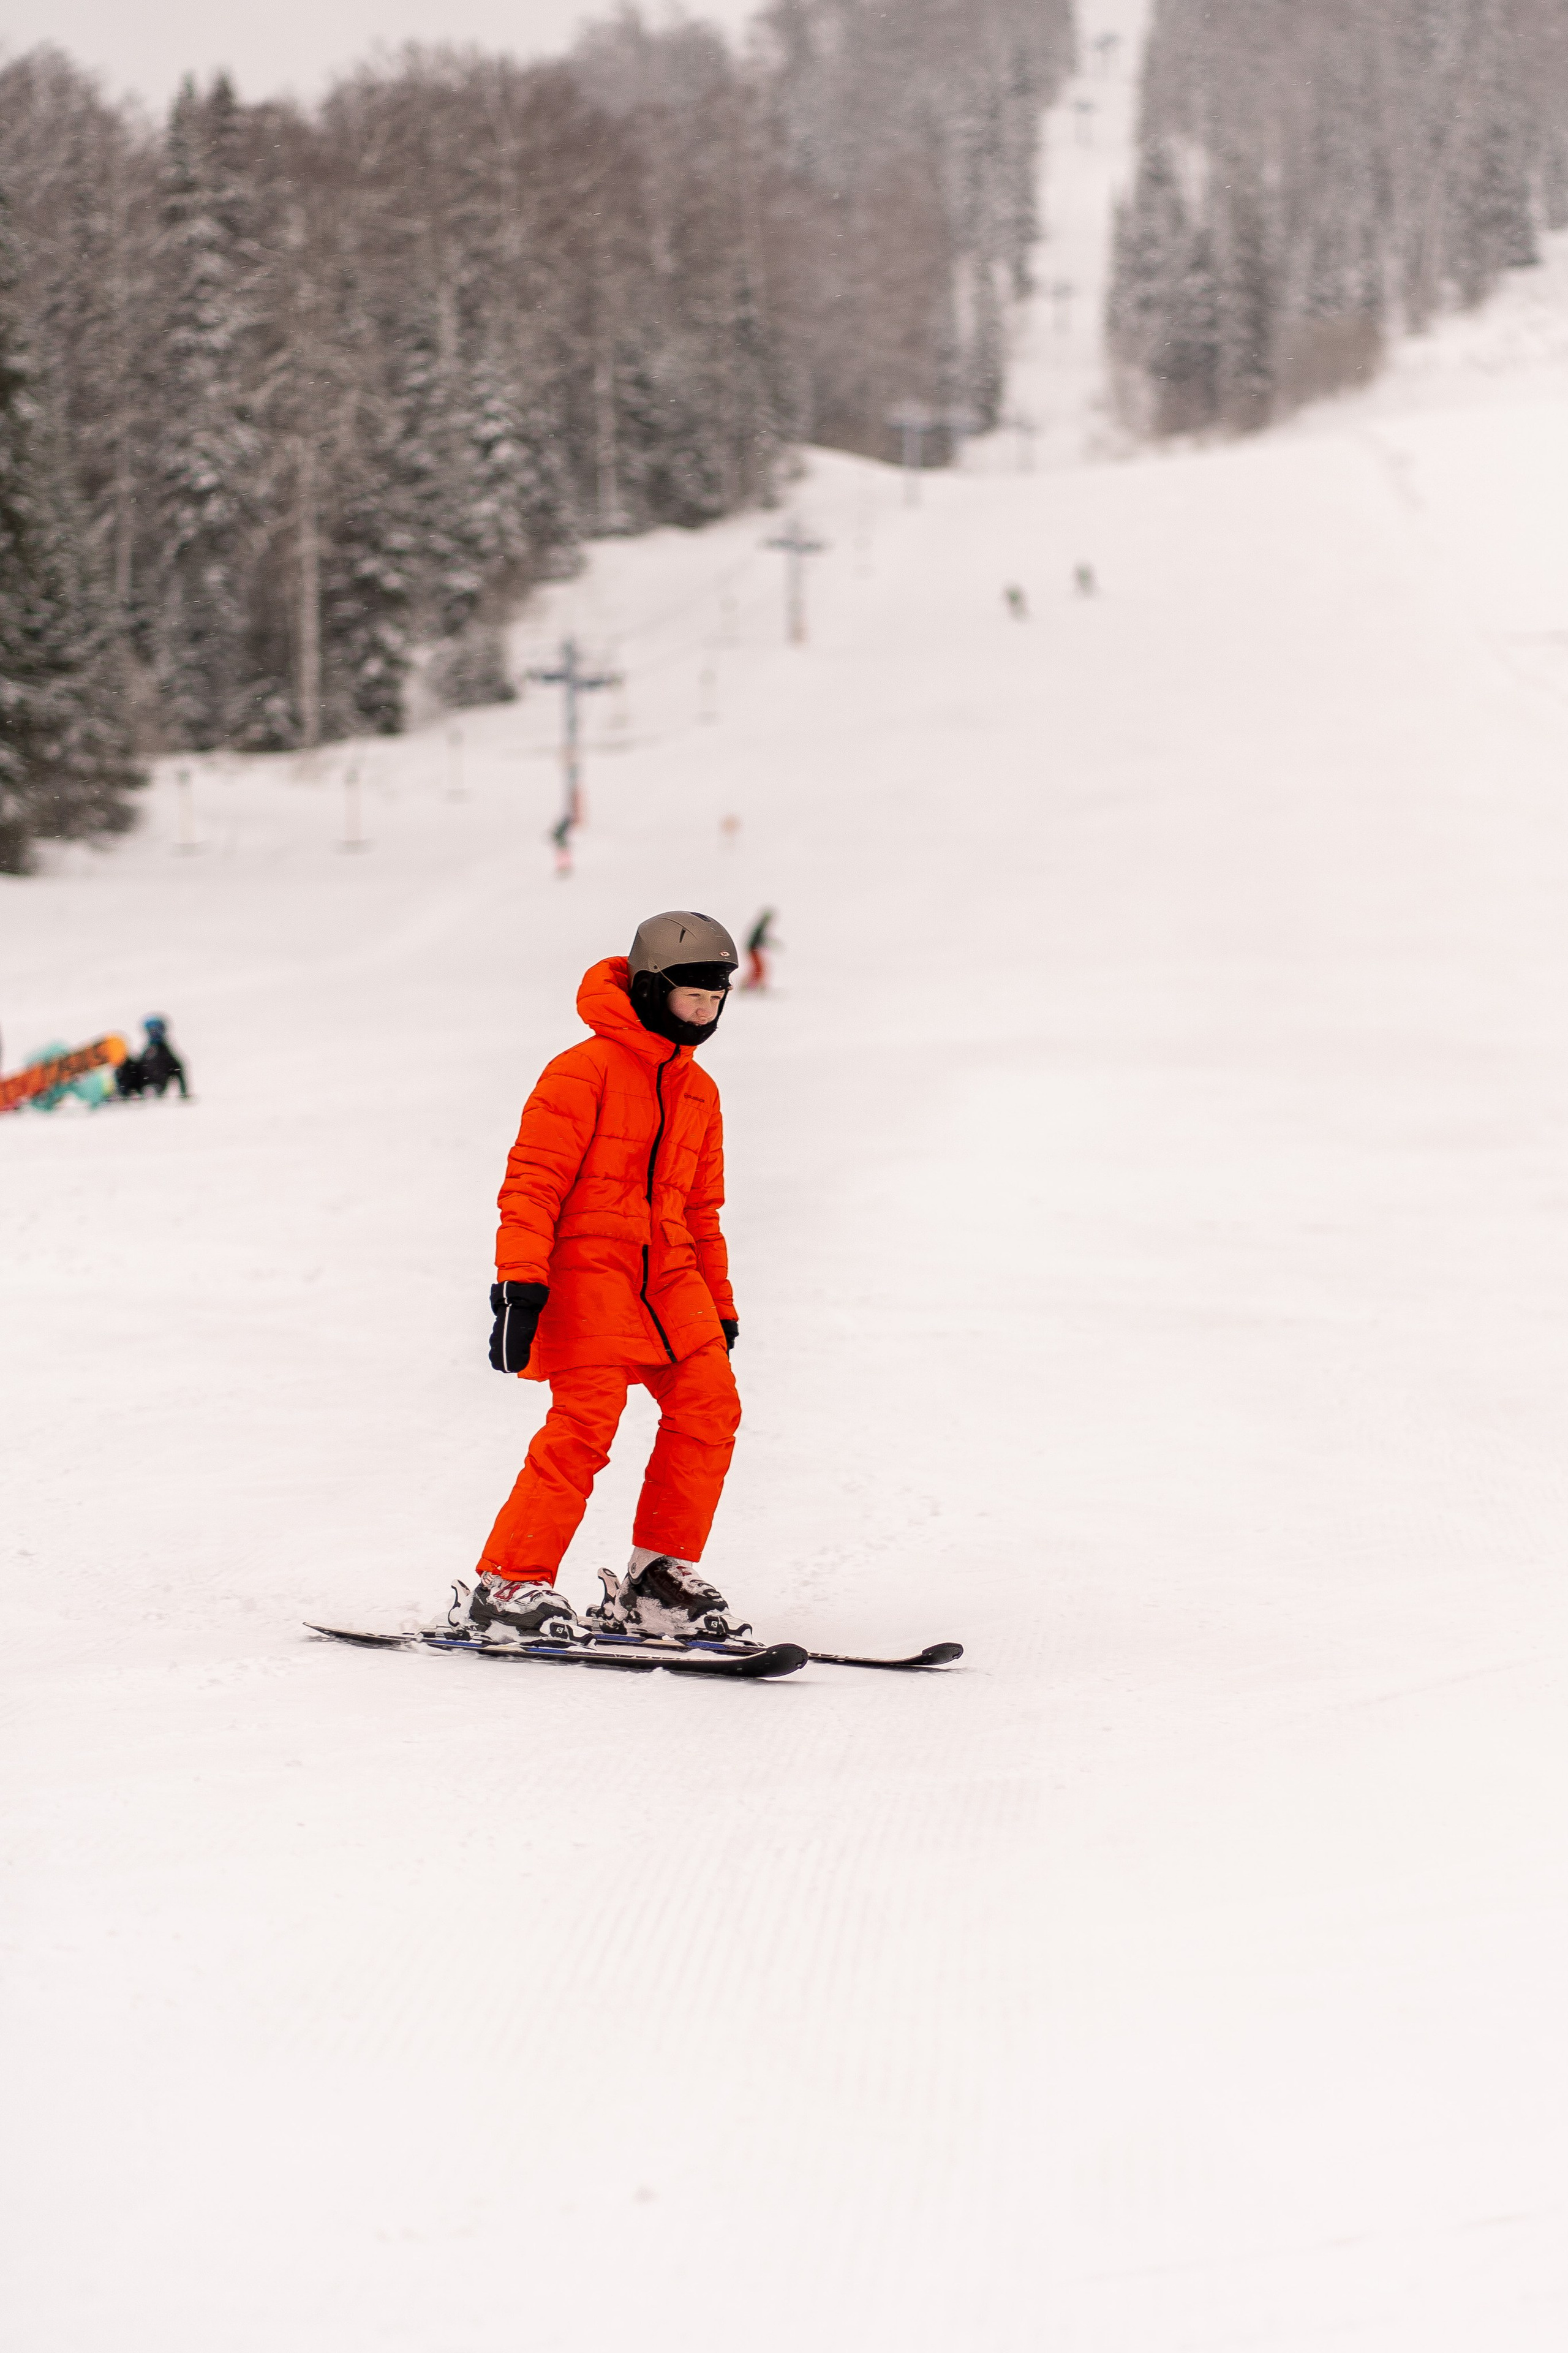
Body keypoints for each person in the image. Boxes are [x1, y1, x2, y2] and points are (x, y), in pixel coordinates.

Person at [448, 911, 747, 1647]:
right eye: (691, 998)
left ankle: (656, 1581)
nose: (704, 1013)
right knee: (587, 1420)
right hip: (586, 1273)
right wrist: (518, 1284)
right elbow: (532, 1184)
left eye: (715, 1000)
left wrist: (720, 1304)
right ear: (649, 990)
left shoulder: (700, 1091)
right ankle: (506, 1583)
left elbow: (702, 1211)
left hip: (671, 1278)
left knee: (710, 1405)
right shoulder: (580, 1072)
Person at [115, 1014, 189, 1100]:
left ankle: (150, 1090)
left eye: (155, 1031)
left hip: (156, 1085)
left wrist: (184, 1092)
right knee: (124, 1061)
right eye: (150, 1031)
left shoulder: (165, 1051)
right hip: (141, 1084)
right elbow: (139, 1066)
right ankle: (123, 1090)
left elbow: (178, 1069)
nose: (153, 1033)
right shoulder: (148, 1049)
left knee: (157, 1066)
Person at [742, 907, 777, 991]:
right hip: (753, 949)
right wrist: (770, 944)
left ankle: (755, 986)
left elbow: (761, 939)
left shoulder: (761, 927)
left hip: (754, 949)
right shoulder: (760, 927)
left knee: (759, 968)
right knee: (759, 968)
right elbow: (760, 939)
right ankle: (750, 986)